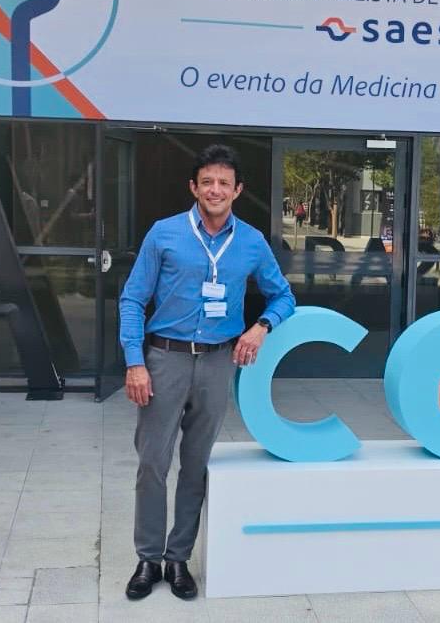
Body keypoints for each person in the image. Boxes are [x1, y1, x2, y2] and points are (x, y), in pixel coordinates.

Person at [119, 144, 295, 602]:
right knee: (153, 463)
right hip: (165, 359)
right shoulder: (164, 234)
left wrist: (260, 327)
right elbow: (133, 299)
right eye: (207, 182)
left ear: (237, 190)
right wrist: (135, 362)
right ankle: (148, 558)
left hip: (218, 362)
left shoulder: (252, 242)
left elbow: (284, 297)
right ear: (194, 187)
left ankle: (178, 558)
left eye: (224, 183)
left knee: (196, 465)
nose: (215, 189)